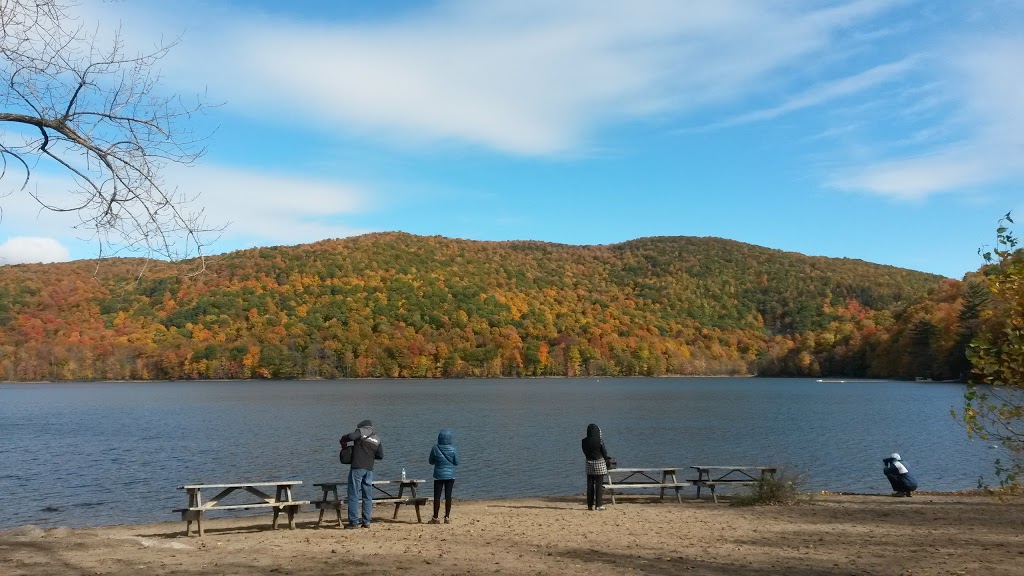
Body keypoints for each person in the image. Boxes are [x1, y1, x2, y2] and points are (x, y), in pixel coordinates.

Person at [340, 419, 383, 528]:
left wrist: (343, 438)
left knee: (353, 494)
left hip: (357, 467)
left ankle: (354, 522)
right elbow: (380, 455)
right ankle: (366, 521)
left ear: (362, 426)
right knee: (367, 496)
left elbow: (351, 437)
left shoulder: (361, 431)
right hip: (369, 469)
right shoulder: (377, 438)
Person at [427, 428, 459, 524]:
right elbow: (456, 462)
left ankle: (435, 517)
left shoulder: (435, 448)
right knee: (448, 496)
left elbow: (431, 461)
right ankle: (447, 517)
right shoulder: (453, 449)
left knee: (437, 496)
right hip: (450, 476)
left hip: (438, 476)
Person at [582, 423, 609, 511]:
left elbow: (585, 452)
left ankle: (590, 505)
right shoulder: (599, 440)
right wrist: (607, 461)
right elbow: (604, 453)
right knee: (599, 485)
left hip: (589, 463)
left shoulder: (584, 441)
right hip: (599, 464)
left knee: (589, 486)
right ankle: (598, 505)